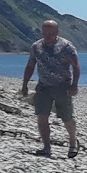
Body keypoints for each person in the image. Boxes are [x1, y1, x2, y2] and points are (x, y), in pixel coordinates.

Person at [18, 20, 80, 158]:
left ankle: (72, 143)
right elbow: (30, 66)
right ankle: (46, 147)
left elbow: (75, 66)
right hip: (44, 86)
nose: (48, 36)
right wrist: (24, 85)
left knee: (67, 118)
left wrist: (74, 85)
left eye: (51, 33)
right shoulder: (36, 46)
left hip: (63, 87)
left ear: (57, 32)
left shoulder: (67, 46)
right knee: (42, 116)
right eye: (45, 33)